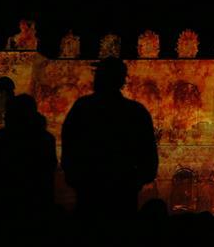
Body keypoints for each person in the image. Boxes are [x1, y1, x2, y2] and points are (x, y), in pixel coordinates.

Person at [61, 58, 158, 219]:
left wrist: (78, 179)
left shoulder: (83, 109)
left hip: (90, 192)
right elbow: (149, 157)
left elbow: (69, 148)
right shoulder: (135, 112)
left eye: (99, 74)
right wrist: (135, 181)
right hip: (123, 195)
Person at [0, 94, 57, 220]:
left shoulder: (1, 138)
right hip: (36, 208)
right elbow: (48, 171)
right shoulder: (46, 139)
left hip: (2, 207)